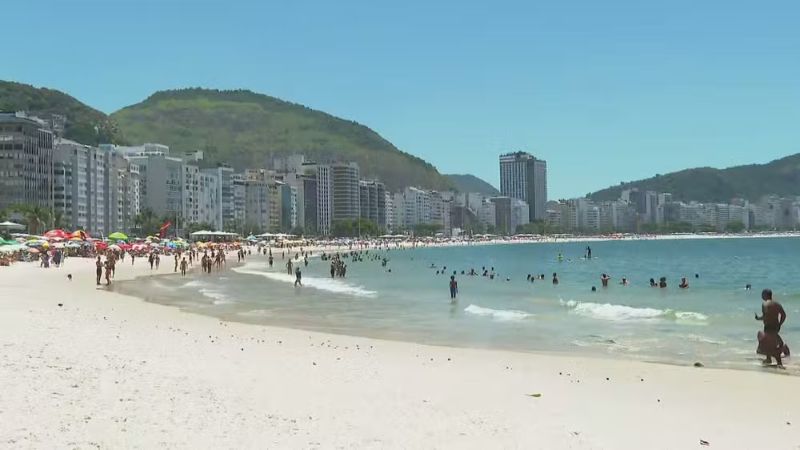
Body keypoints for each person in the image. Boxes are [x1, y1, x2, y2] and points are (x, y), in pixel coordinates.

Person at [755, 289, 789, 368]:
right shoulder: (777, 304)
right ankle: (769, 359)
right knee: (771, 342)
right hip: (775, 326)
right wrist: (780, 324)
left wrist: (758, 318)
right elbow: (783, 315)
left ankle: (779, 361)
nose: (761, 296)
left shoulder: (765, 304)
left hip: (768, 326)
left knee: (769, 343)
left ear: (766, 295)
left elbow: (766, 316)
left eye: (762, 294)